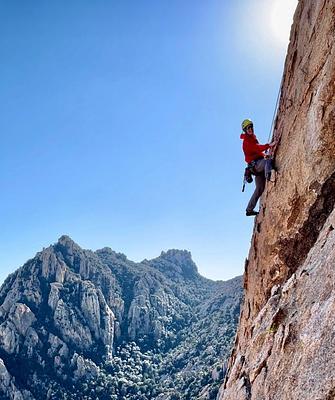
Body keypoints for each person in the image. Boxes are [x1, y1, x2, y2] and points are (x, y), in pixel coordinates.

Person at [240, 119, 275, 216]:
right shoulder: (247, 141)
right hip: (255, 165)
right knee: (268, 161)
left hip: (257, 167)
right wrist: (269, 145)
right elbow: (257, 148)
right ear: (245, 130)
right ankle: (269, 176)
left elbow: (257, 152)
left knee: (260, 188)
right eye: (248, 128)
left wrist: (264, 155)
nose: (250, 129)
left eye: (251, 127)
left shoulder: (252, 138)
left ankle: (249, 210)